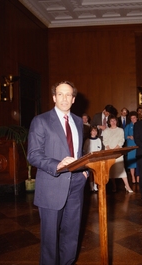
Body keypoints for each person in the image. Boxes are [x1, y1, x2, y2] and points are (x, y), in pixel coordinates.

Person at [27, 81, 88, 265]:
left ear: (74, 99)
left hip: (76, 184)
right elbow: (33, 155)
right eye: (60, 94)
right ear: (54, 97)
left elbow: (78, 152)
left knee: (71, 235)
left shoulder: (78, 121)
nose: (64, 98)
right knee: (50, 240)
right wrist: (57, 164)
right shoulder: (41, 121)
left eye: (68, 95)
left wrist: (84, 171)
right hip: (51, 186)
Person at [102, 115, 133, 193]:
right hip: (109, 152)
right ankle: (114, 186)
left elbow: (121, 140)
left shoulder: (120, 130)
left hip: (118, 152)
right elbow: (105, 141)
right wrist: (109, 149)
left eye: (114, 120)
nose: (113, 122)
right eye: (111, 121)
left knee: (121, 169)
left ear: (116, 121)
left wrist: (117, 147)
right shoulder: (106, 131)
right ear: (109, 122)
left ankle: (127, 186)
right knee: (111, 170)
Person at [83, 125, 103, 192]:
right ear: (90, 132)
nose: (94, 132)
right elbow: (85, 150)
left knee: (96, 173)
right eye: (93, 131)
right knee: (90, 173)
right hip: (89, 159)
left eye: (95, 131)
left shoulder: (98, 140)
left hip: (96, 159)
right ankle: (91, 187)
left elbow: (99, 149)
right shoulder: (87, 140)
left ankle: (95, 186)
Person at [124, 111, 138, 183]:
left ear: (137, 118)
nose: (133, 119)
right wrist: (129, 136)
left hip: (138, 145)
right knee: (132, 161)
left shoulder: (140, 125)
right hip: (131, 145)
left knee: (138, 161)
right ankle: (133, 177)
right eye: (132, 118)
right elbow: (124, 136)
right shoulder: (128, 126)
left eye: (134, 118)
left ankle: (138, 177)